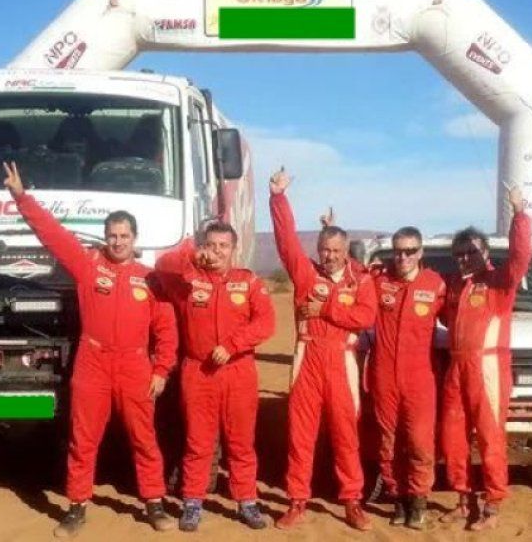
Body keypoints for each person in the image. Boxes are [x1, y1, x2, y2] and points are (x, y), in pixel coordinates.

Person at [1, 161, 178, 537]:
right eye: (112, 235)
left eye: (124, 235)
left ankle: (154, 503)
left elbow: (166, 331)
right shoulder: (87, 266)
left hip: (134, 366)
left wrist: (161, 370)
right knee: (84, 440)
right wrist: (21, 196)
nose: (118, 241)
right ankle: (77, 506)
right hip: (93, 362)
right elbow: (51, 233)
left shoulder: (151, 280)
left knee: (144, 439)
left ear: (134, 237)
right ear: (104, 238)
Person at [269, 168, 377, 531]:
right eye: (324, 250)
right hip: (308, 357)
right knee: (300, 435)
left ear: (346, 252)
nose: (329, 256)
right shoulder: (305, 274)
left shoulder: (360, 280)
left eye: (335, 250)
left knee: (346, 435)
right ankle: (297, 500)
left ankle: (352, 501)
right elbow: (285, 242)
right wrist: (278, 198)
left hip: (342, 361)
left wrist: (326, 309)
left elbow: (364, 316)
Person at [155, 222, 275, 532]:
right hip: (198, 372)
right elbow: (161, 265)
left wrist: (233, 345)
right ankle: (193, 502)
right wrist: (193, 257)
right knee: (198, 442)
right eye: (211, 245)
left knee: (241, 442)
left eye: (223, 245)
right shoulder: (187, 281)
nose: (217, 251)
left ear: (234, 250)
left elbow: (266, 322)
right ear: (203, 247)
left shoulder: (247, 282)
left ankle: (247, 501)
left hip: (239, 372)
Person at [439, 185, 532, 531]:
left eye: (472, 252)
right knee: (452, 437)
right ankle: (464, 499)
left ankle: (493, 505)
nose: (465, 258)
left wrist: (519, 214)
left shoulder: (499, 282)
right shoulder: (452, 286)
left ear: (486, 252)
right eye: (460, 253)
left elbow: (521, 258)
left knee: (491, 436)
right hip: (456, 368)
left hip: (489, 367)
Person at [360, 227, 445, 529]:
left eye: (410, 251)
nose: (403, 256)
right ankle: (398, 498)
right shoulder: (379, 280)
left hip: (420, 378)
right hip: (384, 375)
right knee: (389, 442)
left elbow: (461, 314)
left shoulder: (436, 284)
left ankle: (419, 500)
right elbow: (349, 275)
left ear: (421, 252)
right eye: (398, 251)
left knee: (420, 442)